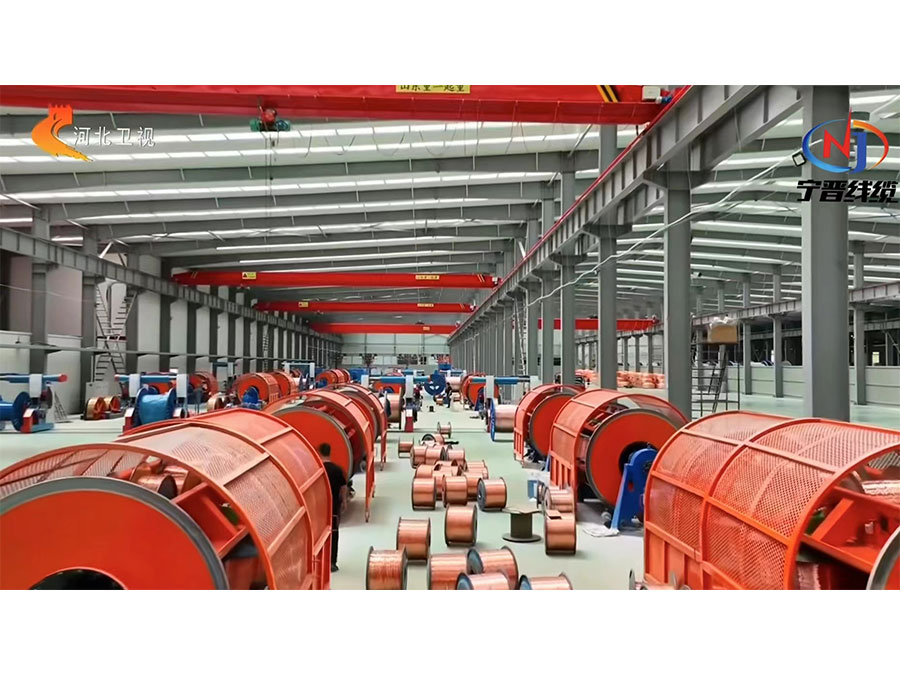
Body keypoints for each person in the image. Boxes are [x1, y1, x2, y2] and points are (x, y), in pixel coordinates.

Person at [319, 443, 347, 573]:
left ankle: (319, 562)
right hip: (334, 507)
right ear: (330, 452)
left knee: (319, 535)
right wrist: (344, 502)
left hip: (320, 506)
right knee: (334, 533)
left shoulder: (318, 469)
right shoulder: (337, 470)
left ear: (320, 453)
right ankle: (332, 563)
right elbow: (343, 487)